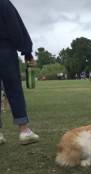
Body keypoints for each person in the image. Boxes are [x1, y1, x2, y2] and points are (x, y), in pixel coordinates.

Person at [0, 0, 39, 145]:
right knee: (14, 89)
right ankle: (24, 131)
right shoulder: (3, 3)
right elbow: (16, 27)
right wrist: (27, 52)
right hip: (4, 51)